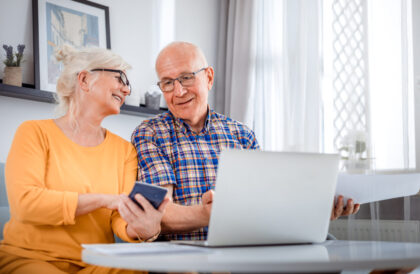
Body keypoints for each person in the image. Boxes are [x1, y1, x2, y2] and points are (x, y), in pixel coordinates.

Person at [131, 41, 360, 241]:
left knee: (329, 246)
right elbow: (159, 214)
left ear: (208, 77)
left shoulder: (241, 134)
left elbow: (266, 202)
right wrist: (217, 212)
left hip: (247, 248)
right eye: (168, 83)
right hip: (187, 257)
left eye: (186, 78)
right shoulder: (150, 133)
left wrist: (315, 211)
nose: (178, 91)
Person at [0, 45, 169, 274]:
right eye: (120, 78)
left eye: (127, 84)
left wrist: (141, 228)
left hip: (95, 263)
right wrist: (102, 199)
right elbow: (26, 205)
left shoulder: (125, 151)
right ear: (84, 80)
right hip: (30, 259)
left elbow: (120, 219)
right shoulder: (34, 133)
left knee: (134, 268)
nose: (126, 90)